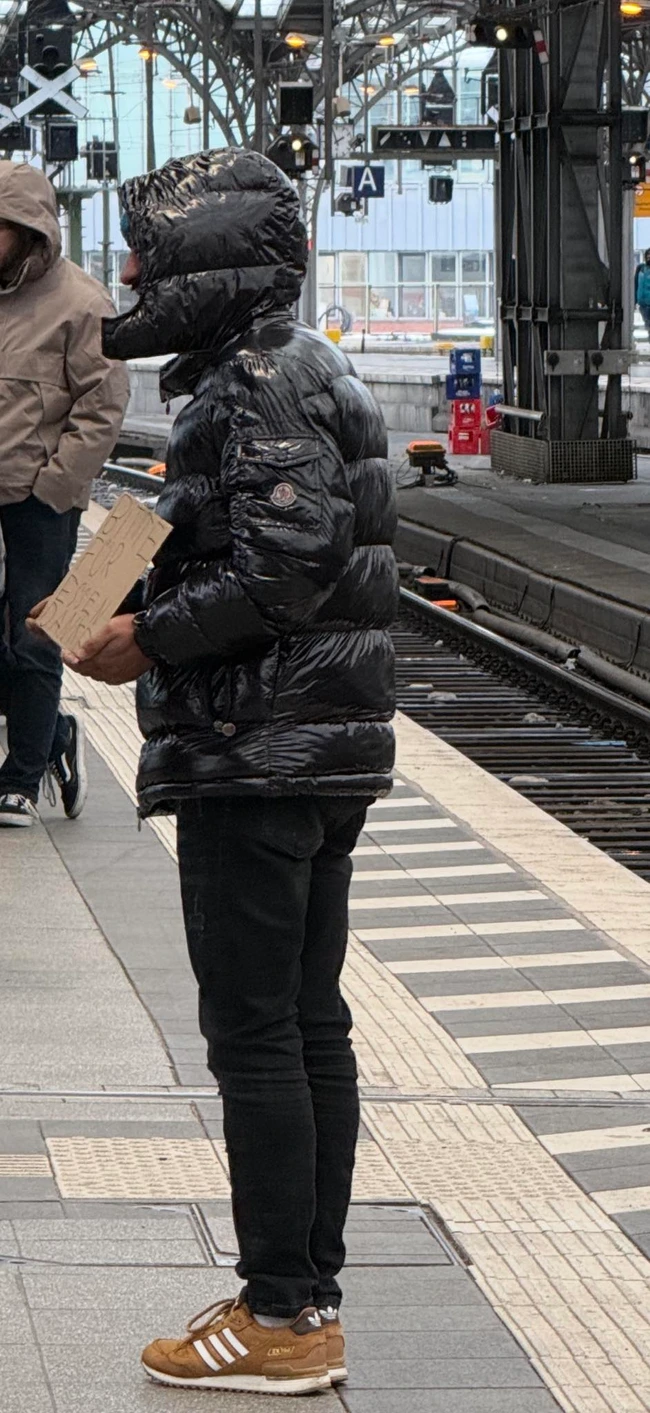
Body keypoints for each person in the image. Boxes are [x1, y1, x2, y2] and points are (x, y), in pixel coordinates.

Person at [43, 148, 398, 1394]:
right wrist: (83, 603)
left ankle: (282, 1314)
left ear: (206, 266)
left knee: (256, 1035)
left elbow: (281, 566)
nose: (132, 279)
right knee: (306, 1025)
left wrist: (145, 638)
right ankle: (303, 1300)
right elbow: (199, 520)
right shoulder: (285, 368)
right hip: (315, 747)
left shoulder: (250, 383)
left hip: (257, 748)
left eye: (150, 257)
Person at [0, 161, 129, 826]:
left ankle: (21, 778)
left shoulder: (82, 301)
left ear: (28, 229)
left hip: (40, 501)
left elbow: (102, 408)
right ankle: (54, 734)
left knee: (37, 634)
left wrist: (56, 485)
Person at [635, 247, 650, 338]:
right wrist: (634, 301)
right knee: (647, 325)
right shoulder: (640, 268)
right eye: (647, 255)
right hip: (643, 304)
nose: (649, 256)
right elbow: (635, 284)